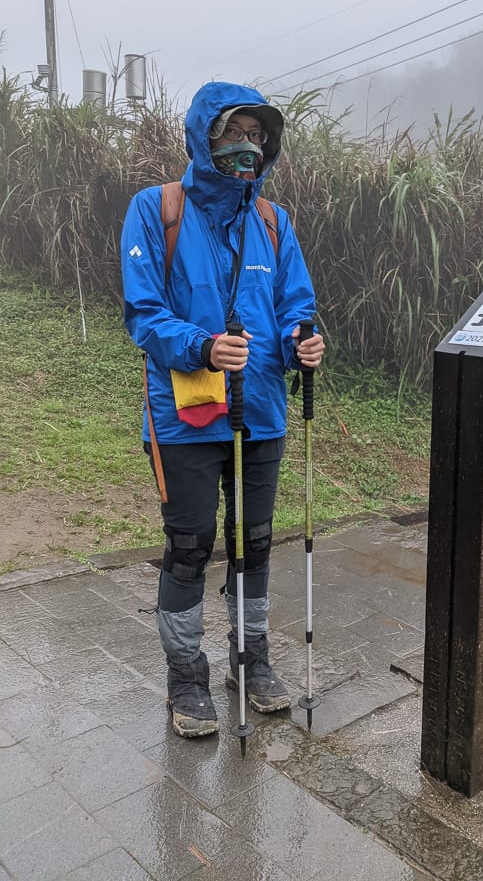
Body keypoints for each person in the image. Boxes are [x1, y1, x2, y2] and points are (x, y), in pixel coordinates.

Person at [120, 81, 325, 738]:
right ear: (204, 136)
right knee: (189, 549)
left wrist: (302, 342)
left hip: (261, 413)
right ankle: (187, 677)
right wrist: (203, 347)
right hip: (185, 419)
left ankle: (251, 658)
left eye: (257, 137)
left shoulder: (273, 221)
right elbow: (144, 315)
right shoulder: (158, 211)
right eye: (234, 133)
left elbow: (295, 303)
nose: (248, 147)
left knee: (253, 546)